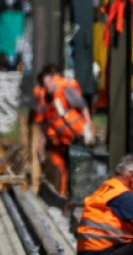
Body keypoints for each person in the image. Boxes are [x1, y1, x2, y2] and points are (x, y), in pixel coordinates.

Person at [33, 63, 95, 201]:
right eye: (44, 83)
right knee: (59, 167)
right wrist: (41, 143)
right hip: (62, 142)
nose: (46, 86)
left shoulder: (65, 91)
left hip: (77, 138)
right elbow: (45, 124)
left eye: (48, 82)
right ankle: (63, 197)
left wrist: (89, 126)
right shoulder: (47, 100)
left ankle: (78, 198)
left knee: (79, 171)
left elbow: (82, 106)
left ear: (54, 79)